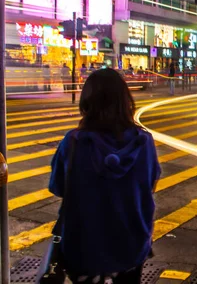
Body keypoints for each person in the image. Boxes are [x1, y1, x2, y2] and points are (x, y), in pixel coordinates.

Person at [48, 68, 160, 283]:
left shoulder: (73, 142)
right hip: (131, 245)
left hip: (83, 248)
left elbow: (59, 187)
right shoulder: (144, 143)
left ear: (87, 101)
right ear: (125, 100)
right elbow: (149, 186)